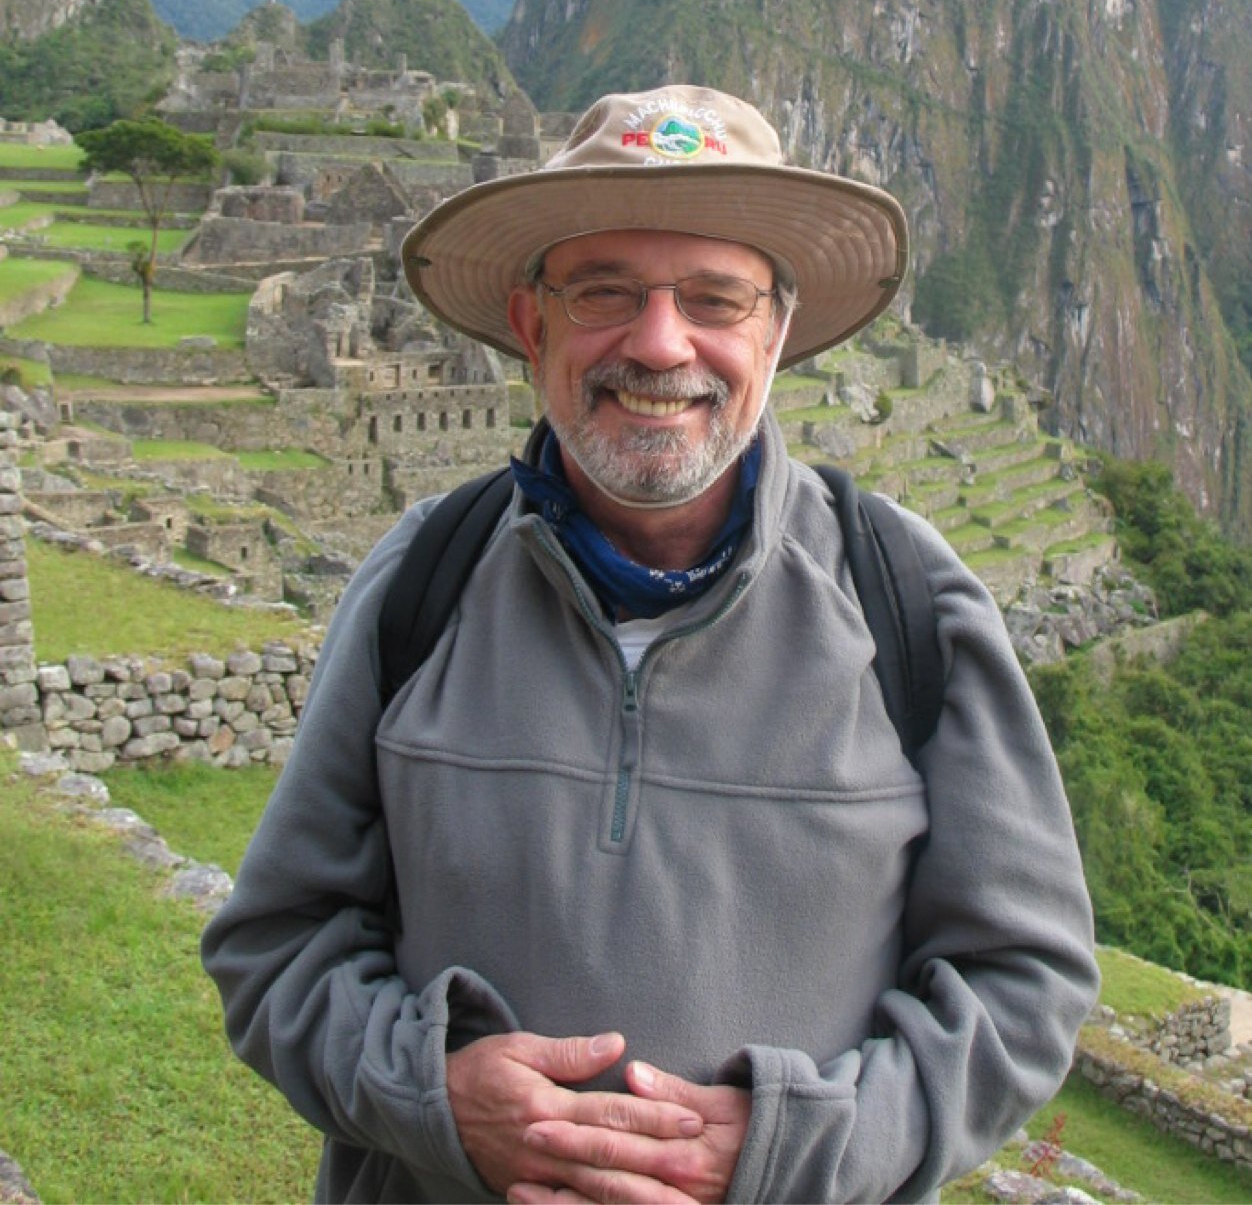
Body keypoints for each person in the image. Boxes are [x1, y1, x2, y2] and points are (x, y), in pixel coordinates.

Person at [202, 84, 1099, 1204]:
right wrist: (432, 1091)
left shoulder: (905, 602)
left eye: (716, 298)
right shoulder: (422, 584)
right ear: (533, 326)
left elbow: (1023, 980)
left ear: (775, 331)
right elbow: (279, 945)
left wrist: (789, 1149)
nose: (659, 341)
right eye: (604, 291)